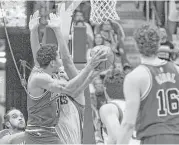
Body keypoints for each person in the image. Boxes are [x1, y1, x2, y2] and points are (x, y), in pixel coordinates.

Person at [24, 12, 108, 144]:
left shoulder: (77, 93)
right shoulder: (49, 81)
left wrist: (90, 72)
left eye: (64, 74)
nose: (62, 73)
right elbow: (39, 60)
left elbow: (67, 61)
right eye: (60, 73)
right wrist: (34, 31)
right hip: (48, 137)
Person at [117, 23, 179, 144]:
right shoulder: (177, 69)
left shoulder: (135, 76)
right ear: (159, 43)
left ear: (136, 45)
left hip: (154, 137)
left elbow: (129, 123)